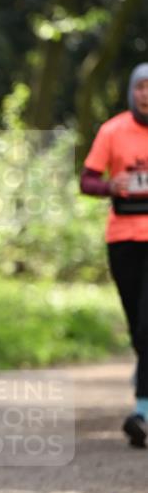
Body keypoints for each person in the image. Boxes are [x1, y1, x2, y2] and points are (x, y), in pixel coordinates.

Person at [80, 62, 148, 448]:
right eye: (140, 87)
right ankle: (144, 376)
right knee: (139, 326)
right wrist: (111, 186)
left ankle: (142, 412)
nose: (145, 94)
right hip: (122, 238)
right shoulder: (113, 130)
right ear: (131, 91)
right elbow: (86, 180)